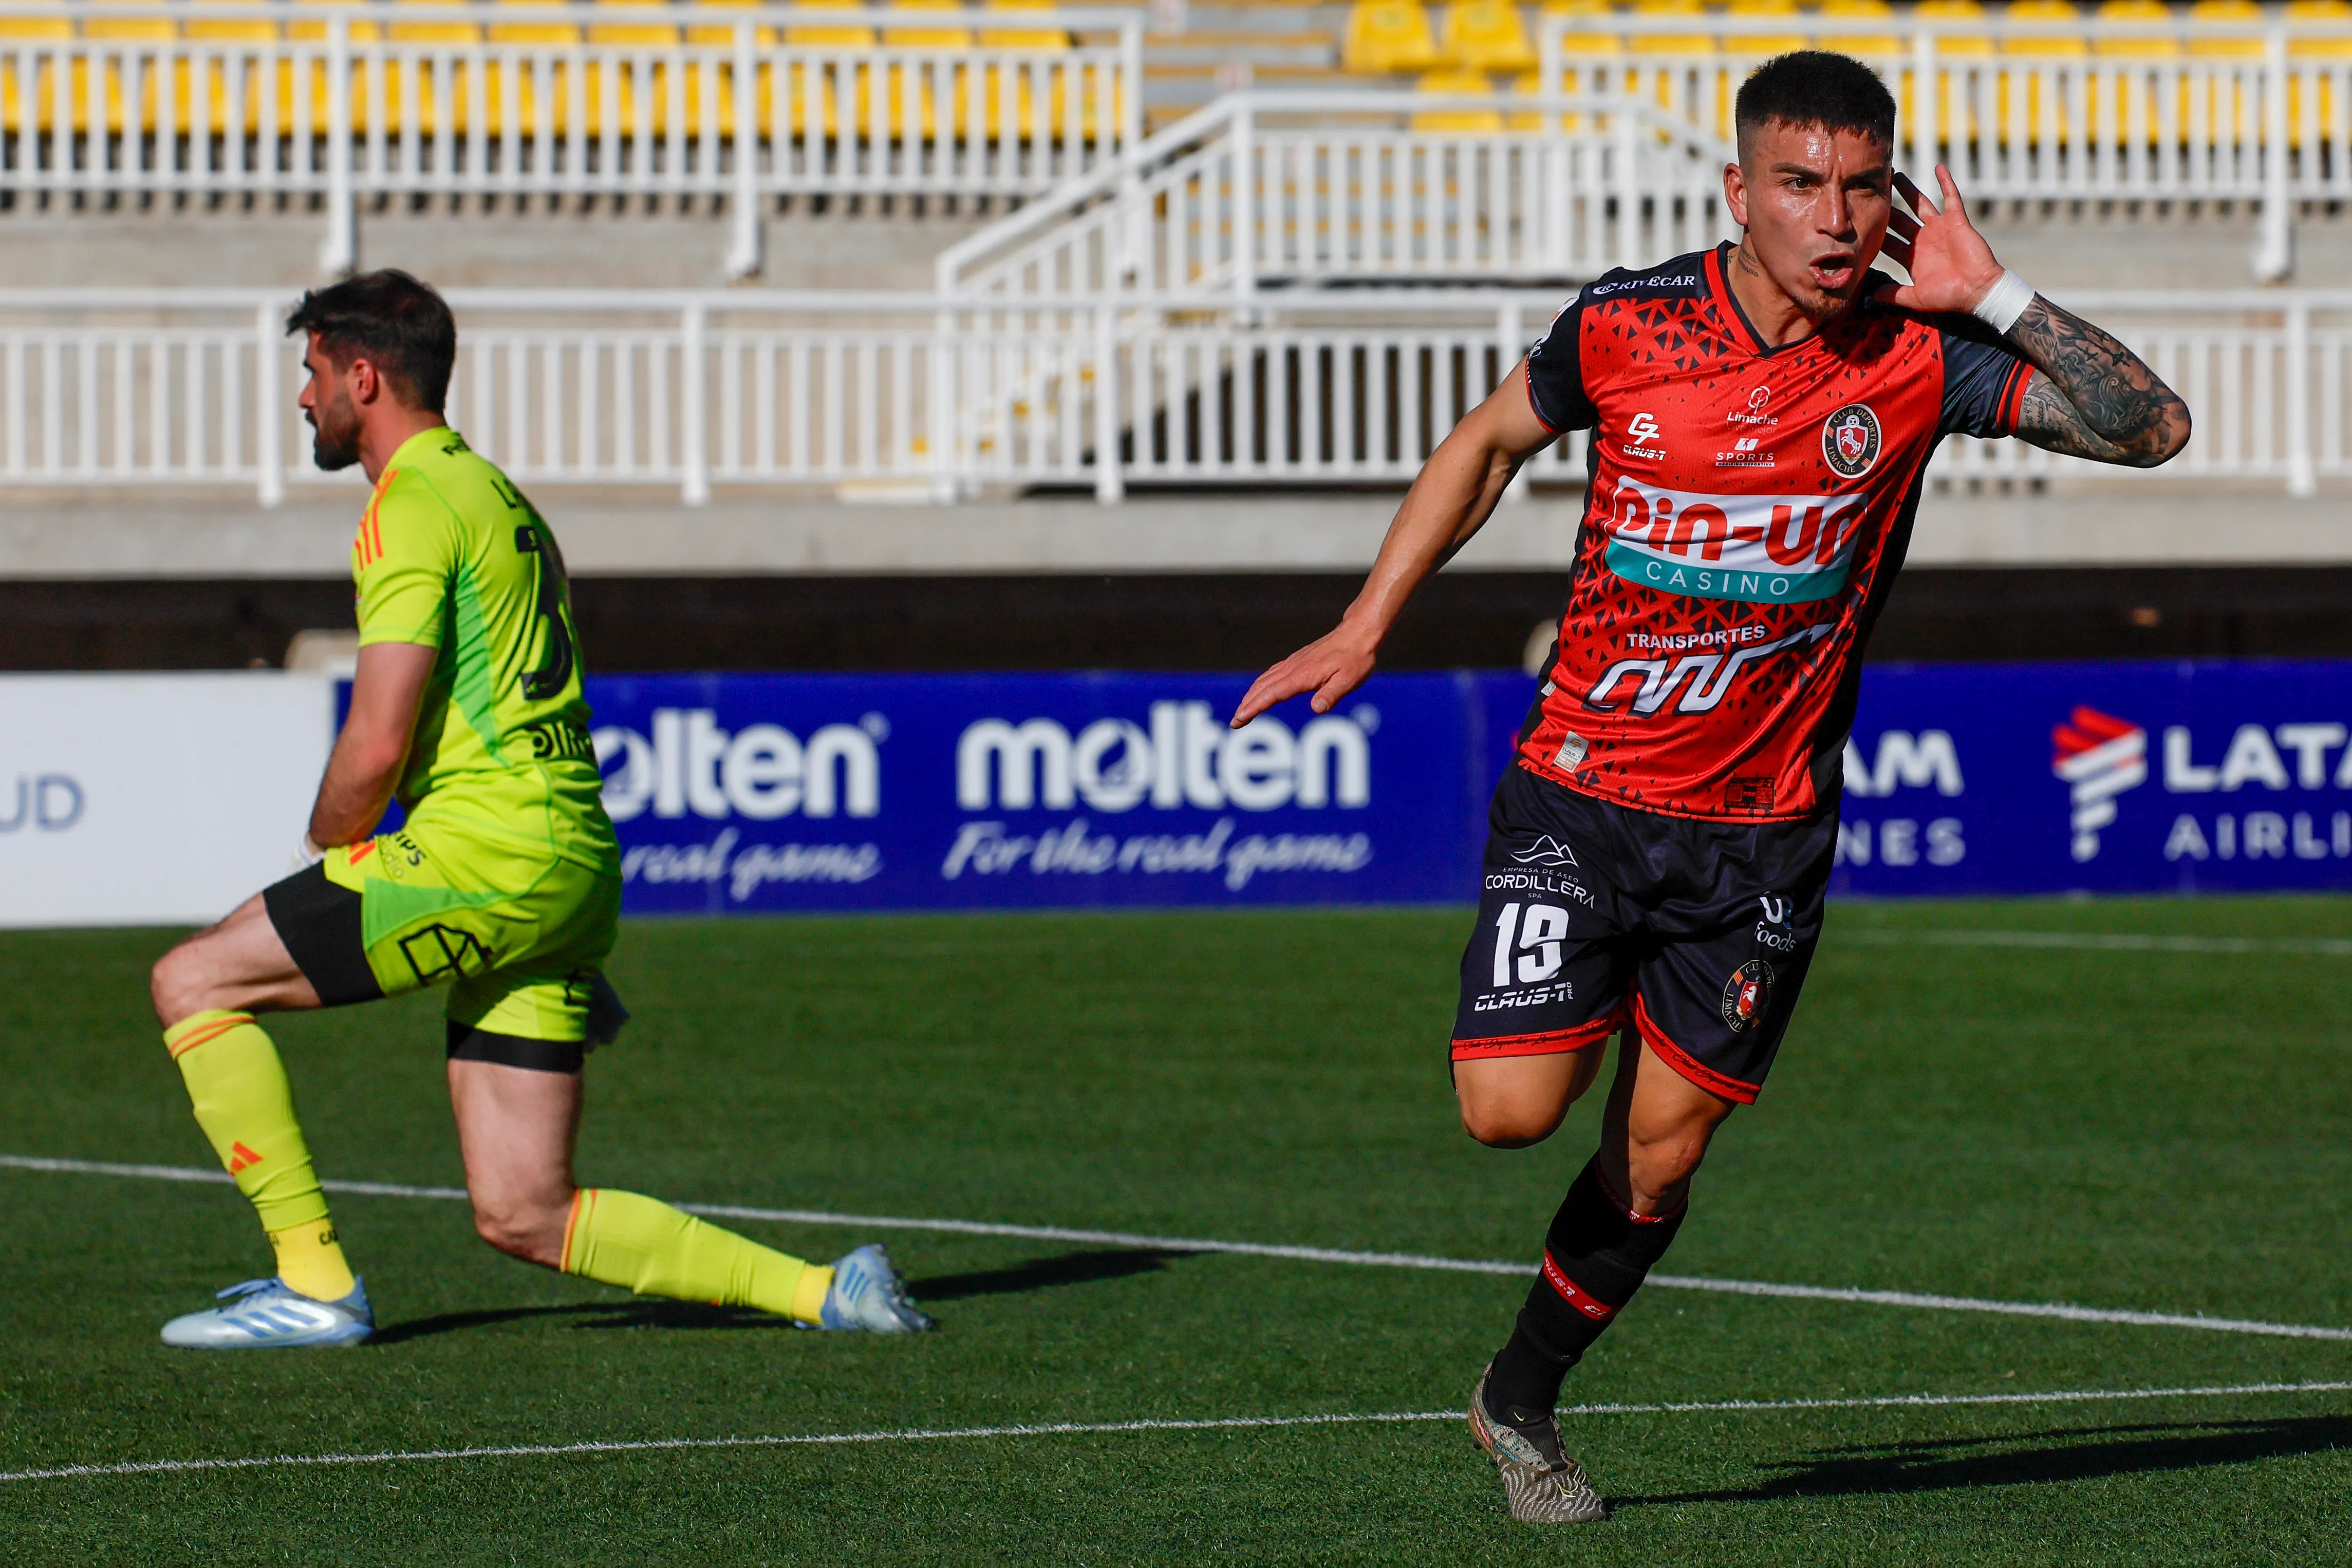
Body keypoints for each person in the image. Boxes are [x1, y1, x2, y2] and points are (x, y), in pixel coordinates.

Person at [1231, 52, 2187, 1522]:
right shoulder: (1625, 324)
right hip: (1583, 795)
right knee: (1506, 1113)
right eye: (1800, 184)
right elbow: (1488, 442)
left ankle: (1520, 1399)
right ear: (1735, 192)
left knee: (1661, 1159)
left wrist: (1996, 297)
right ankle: (1572, 999)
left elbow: (2152, 427)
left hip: (1762, 839)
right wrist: (1369, 621)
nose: (1834, 217)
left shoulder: (1919, 355)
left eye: (1863, 186)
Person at [147, 270, 933, 1348]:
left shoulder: (409, 504)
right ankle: (826, 1291)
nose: (303, 398)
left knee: (191, 979)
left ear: (362, 377)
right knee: (524, 1209)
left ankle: (314, 1281)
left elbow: (378, 734)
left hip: (485, 849)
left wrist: (333, 846)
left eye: (312, 373)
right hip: (567, 863)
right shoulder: (504, 499)